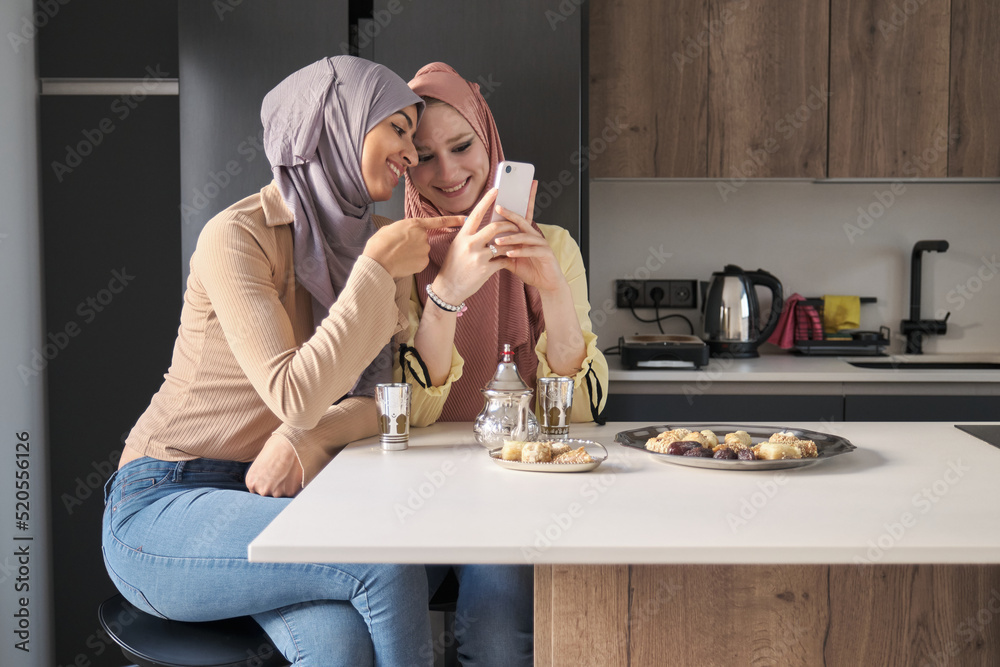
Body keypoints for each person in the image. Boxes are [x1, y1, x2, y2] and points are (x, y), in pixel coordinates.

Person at [102, 56, 462, 667]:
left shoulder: (377, 241)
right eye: (396, 129)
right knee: (386, 557)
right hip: (165, 504)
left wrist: (309, 438)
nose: (410, 151)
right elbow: (292, 393)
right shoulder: (237, 235)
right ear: (334, 126)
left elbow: (390, 406)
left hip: (283, 502)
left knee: (342, 648)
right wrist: (374, 272)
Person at [394, 62, 610, 666]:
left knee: (497, 622)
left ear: (488, 139)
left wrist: (554, 293)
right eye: (422, 158)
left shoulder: (556, 245)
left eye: (462, 146)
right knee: (383, 609)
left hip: (518, 485)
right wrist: (446, 294)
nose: (449, 172)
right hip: (411, 488)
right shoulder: (395, 255)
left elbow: (586, 413)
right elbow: (402, 416)